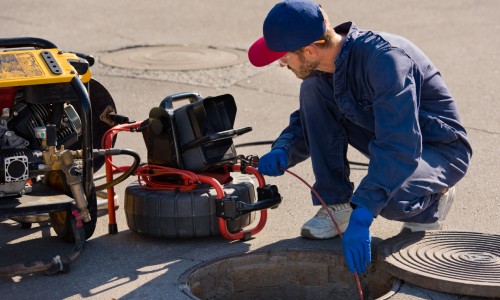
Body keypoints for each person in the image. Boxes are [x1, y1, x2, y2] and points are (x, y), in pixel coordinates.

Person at [248, 0, 472, 274]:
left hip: (440, 149)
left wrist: (364, 212)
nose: (281, 64)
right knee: (313, 91)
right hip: (389, 134)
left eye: (284, 57)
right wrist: (284, 149)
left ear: (309, 50)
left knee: (386, 198)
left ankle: (433, 199)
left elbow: (399, 145)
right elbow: (314, 118)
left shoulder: (386, 61)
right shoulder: (326, 66)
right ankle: (336, 204)